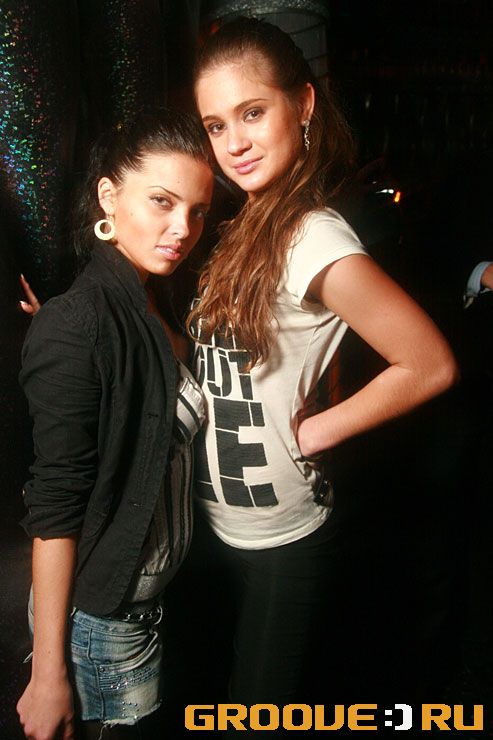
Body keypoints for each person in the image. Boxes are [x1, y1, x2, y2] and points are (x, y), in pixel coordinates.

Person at [184, 16, 459, 710]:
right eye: (216, 125)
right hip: (221, 526)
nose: (234, 143)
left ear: (302, 104)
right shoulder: (248, 222)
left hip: (282, 542)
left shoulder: (311, 234)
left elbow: (428, 363)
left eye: (252, 112)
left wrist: (315, 431)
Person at [16, 109, 214, 740]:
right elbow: (55, 506)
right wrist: (48, 673)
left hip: (155, 602)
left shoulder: (156, 295)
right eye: (161, 201)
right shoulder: (80, 323)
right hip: (104, 625)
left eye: (198, 211)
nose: (182, 229)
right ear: (108, 195)